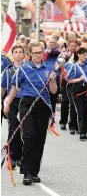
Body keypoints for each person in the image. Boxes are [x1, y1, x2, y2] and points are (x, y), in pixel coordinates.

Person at [4, 42, 57, 185]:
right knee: (29, 136)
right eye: (35, 53)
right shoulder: (24, 69)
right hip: (27, 104)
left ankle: (34, 172)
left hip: (43, 105)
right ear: (30, 54)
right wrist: (8, 103)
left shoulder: (49, 69)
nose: (38, 55)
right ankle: (26, 172)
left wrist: (52, 80)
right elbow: (15, 88)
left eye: (40, 52)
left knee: (40, 139)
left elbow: (53, 91)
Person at [1, 45, 25, 169]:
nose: (18, 54)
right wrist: (2, 102)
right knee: (13, 128)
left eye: (21, 52)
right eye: (16, 52)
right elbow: (3, 88)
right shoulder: (8, 70)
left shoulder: (28, 68)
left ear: (24, 54)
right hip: (12, 101)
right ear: (13, 54)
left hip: (26, 101)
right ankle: (12, 156)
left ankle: (21, 155)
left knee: (24, 129)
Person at [67, 47, 87, 140]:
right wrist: (79, 79)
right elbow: (68, 80)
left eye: (86, 55)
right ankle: (82, 133)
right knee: (81, 111)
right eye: (83, 55)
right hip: (78, 90)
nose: (85, 57)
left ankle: (84, 131)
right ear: (78, 55)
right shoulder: (74, 66)